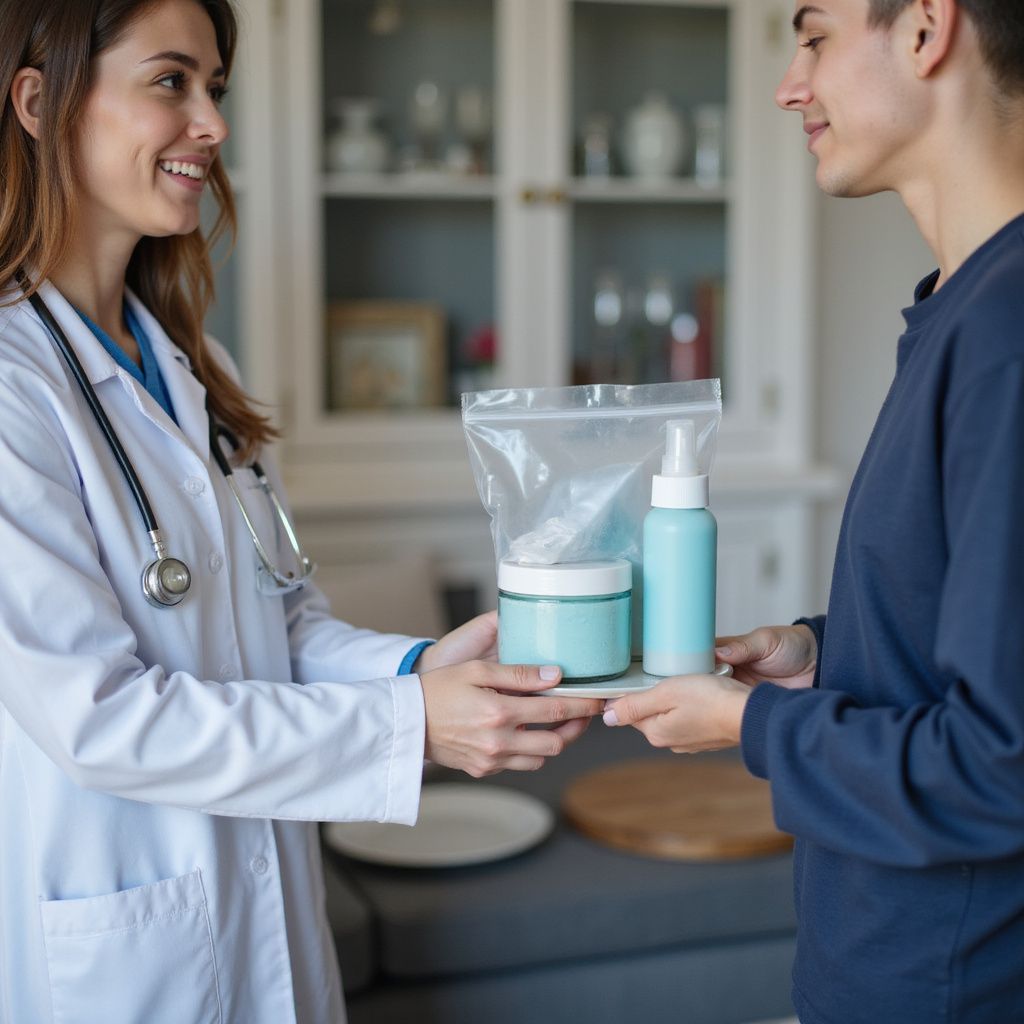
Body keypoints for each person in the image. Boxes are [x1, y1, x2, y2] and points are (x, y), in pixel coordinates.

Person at [0, 2, 604, 1022]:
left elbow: (281, 622)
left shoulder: (196, 367)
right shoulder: (14, 387)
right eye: (170, 81)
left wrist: (419, 671)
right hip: (126, 946)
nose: (214, 124)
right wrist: (411, 723)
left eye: (216, 89)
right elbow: (99, 716)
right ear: (36, 100)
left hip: (265, 913)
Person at [604, 1, 1024, 1021]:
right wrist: (814, 652)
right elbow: (970, 639)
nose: (789, 84)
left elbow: (998, 768)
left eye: (814, 37)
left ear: (926, 30)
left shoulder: (1007, 331)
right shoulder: (961, 308)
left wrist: (751, 722)